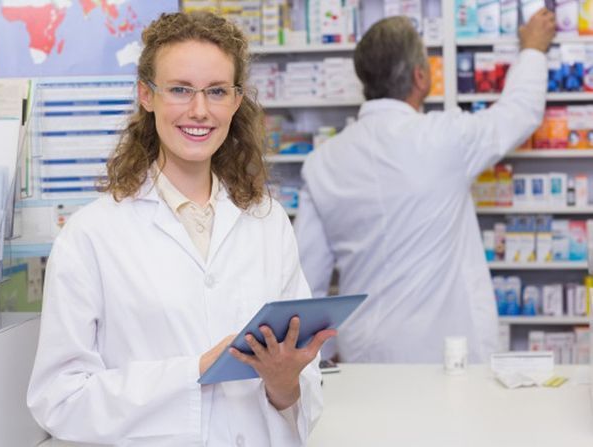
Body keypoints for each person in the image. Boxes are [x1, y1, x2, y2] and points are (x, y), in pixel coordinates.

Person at [27, 11, 335, 446]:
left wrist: (284, 384)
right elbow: (60, 399)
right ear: (146, 96)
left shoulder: (266, 222)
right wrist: (194, 371)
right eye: (179, 90)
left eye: (216, 91)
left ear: (235, 99)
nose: (199, 110)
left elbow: (305, 390)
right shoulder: (90, 235)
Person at [294, 10, 556, 364]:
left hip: (365, 361)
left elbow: (309, 282)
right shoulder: (445, 138)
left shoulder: (323, 162)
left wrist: (314, 367)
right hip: (448, 356)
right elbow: (518, 112)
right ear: (421, 77)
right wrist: (533, 50)